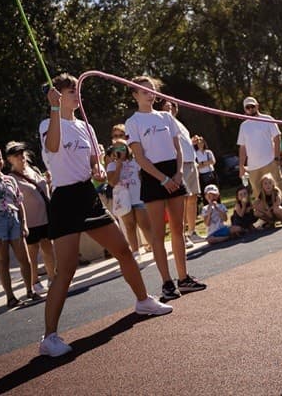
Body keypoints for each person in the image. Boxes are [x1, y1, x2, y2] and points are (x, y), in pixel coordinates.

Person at [39, 73, 172, 357]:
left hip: (88, 195)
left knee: (123, 250)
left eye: (77, 90)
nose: (78, 94)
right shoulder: (47, 123)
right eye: (72, 90)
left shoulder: (84, 125)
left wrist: (99, 168)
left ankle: (143, 300)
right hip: (64, 200)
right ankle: (49, 337)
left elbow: (93, 162)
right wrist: (53, 109)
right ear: (58, 95)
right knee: (66, 271)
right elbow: (52, 148)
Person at [125, 76, 207, 301]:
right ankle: (167, 283)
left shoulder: (166, 117)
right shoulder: (133, 122)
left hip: (174, 172)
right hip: (153, 177)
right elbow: (140, 157)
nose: (149, 93)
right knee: (158, 235)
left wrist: (178, 174)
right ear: (135, 95)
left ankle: (184, 278)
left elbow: (178, 149)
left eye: (151, 89)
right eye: (144, 91)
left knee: (178, 230)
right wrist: (162, 179)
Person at [0, 147, 39, 307]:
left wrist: (24, 223)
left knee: (24, 258)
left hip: (14, 218)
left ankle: (30, 290)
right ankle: (10, 297)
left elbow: (19, 202)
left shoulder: (10, 180)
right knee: (3, 260)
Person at [5, 141, 56, 295]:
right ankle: (35, 281)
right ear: (10, 159)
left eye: (22, 153)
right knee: (32, 253)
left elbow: (42, 189)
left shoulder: (34, 170)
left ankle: (52, 278)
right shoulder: (11, 178)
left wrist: (47, 181)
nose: (21, 157)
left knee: (48, 248)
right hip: (30, 221)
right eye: (16, 155)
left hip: (45, 217)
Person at [160, 98, 205, 247]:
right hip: (180, 165)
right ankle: (182, 235)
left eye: (171, 106)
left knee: (192, 199)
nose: (169, 108)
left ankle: (192, 232)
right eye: (165, 106)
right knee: (182, 201)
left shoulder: (179, 123)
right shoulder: (163, 123)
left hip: (192, 162)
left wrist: (191, 142)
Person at [105, 139, 153, 259]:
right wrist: (118, 166)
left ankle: (154, 247)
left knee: (145, 224)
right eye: (116, 148)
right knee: (130, 226)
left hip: (137, 197)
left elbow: (142, 178)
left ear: (127, 149)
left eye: (122, 148)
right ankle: (136, 252)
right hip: (123, 199)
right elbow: (112, 182)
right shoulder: (111, 165)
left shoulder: (135, 162)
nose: (120, 151)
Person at [237, 96, 282, 201]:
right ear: (245, 109)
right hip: (253, 166)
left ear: (257, 106)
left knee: (277, 188)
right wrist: (241, 166)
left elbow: (277, 138)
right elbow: (242, 147)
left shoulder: (267, 119)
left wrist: (277, 158)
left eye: (252, 106)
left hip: (269, 161)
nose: (250, 109)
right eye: (248, 107)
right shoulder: (244, 126)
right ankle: (266, 214)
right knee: (258, 192)